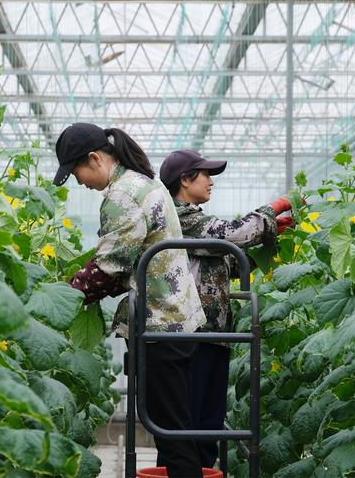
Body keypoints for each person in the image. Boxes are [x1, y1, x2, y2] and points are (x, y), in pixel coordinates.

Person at [53, 123, 206, 478]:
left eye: (77, 172)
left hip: (160, 324)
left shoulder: (123, 195)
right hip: (177, 320)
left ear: (94, 159)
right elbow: (130, 260)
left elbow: (108, 267)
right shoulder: (144, 183)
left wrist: (59, 298)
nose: (79, 182)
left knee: (172, 433)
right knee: (173, 429)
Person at [159, 149, 295, 468]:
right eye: (206, 175)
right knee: (187, 427)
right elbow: (233, 234)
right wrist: (272, 211)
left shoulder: (193, 219)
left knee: (207, 425)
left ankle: (203, 472)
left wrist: (271, 237)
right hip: (189, 338)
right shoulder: (177, 215)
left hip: (212, 335)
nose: (211, 182)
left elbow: (228, 265)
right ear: (184, 180)